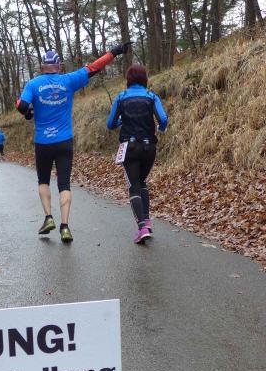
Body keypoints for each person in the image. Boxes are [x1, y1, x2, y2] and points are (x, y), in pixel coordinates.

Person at [16, 43, 131, 242]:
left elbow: (22, 105)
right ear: (58, 66)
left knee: (43, 181)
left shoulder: (33, 84)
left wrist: (27, 112)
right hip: (64, 141)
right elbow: (94, 67)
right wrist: (115, 51)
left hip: (43, 142)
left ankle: (48, 217)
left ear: (42, 66)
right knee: (64, 184)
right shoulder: (68, 80)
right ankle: (65, 227)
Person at [106, 64, 168, 244]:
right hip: (149, 148)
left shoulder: (121, 97)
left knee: (134, 186)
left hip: (130, 148)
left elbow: (110, 124)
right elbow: (163, 119)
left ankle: (142, 228)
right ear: (144, 79)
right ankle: (147, 222)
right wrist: (160, 129)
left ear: (129, 79)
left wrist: (121, 121)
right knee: (142, 183)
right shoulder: (152, 96)